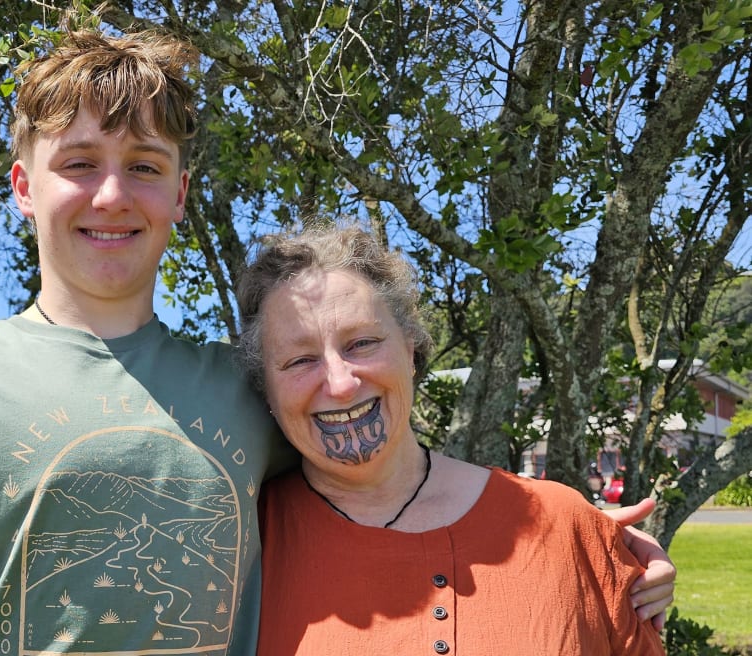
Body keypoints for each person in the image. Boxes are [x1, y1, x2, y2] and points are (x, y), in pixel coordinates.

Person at [0, 29, 673, 656]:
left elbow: (381, 463)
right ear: (23, 189)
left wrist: (579, 549)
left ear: (179, 194)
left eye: (145, 165)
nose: (113, 194)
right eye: (78, 162)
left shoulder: (248, 391)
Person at [236, 226, 667, 655]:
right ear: (266, 388)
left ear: (411, 348)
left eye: (362, 343)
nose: (341, 383)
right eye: (299, 360)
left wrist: (596, 542)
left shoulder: (565, 527)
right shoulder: (235, 547)